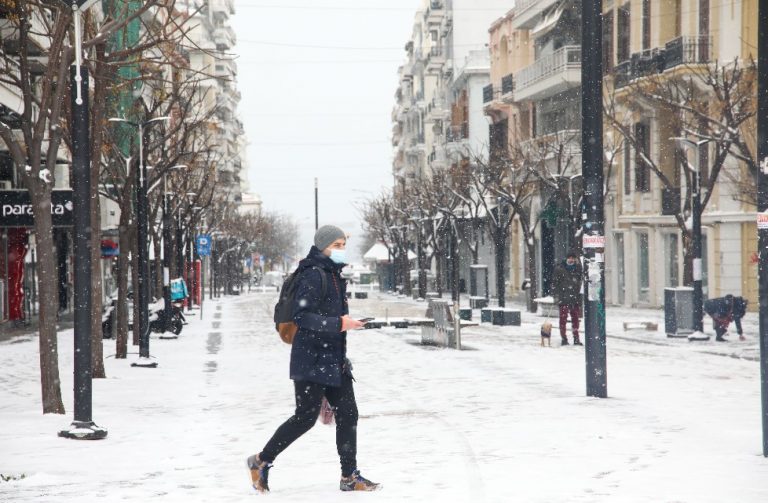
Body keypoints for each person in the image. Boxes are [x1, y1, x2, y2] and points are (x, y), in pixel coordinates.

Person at [247, 225, 380, 493]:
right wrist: (340, 323)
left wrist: (347, 324)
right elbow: (303, 318)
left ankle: (349, 476)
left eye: (344, 244)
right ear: (324, 246)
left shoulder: (332, 274)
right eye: (338, 245)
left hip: (333, 358)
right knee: (305, 417)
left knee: (348, 413)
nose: (342, 250)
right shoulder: (313, 274)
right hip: (311, 358)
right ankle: (260, 461)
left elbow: (330, 318)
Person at [551, 250, 583, 346]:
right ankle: (564, 338)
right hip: (563, 298)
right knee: (563, 319)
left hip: (574, 298)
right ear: (566, 258)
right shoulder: (559, 269)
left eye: (573, 258)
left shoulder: (578, 269)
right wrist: (556, 297)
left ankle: (576, 338)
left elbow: (580, 283)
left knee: (575, 320)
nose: (571, 260)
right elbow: (554, 284)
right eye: (570, 258)